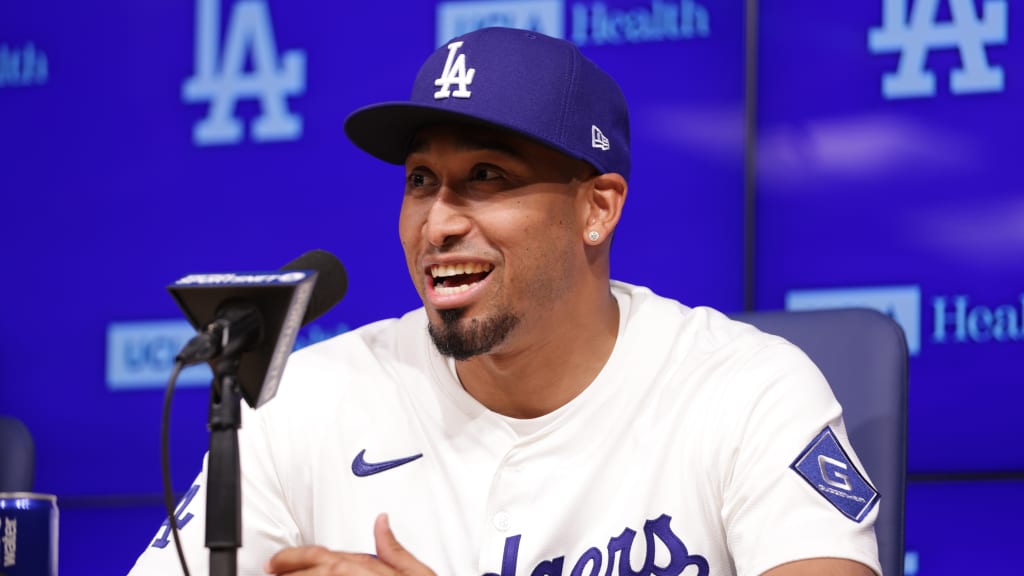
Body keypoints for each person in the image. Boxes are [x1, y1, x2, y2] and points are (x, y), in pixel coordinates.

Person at [129, 27, 881, 576]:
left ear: (598, 208)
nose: (438, 223)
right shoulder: (308, 400)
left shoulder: (747, 391)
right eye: (421, 180)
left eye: (486, 176)